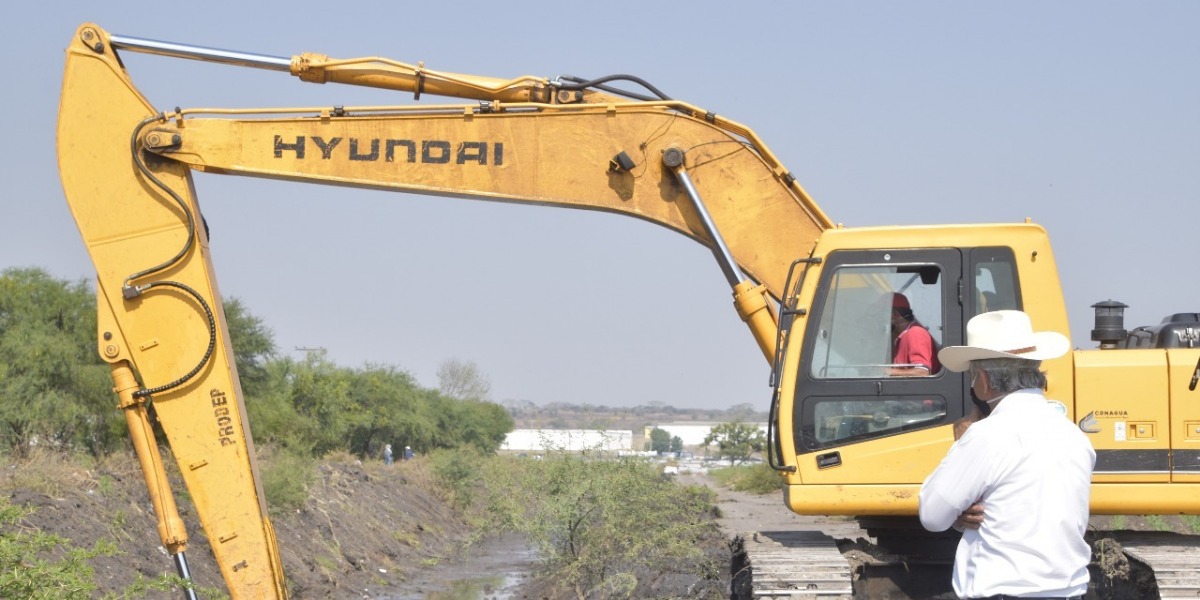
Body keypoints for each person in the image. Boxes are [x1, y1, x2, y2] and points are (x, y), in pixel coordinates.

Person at [919, 310, 1094, 600]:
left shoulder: (986, 434)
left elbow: (932, 515)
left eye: (972, 378)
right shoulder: (1074, 435)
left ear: (985, 380)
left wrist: (957, 511)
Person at [889, 292, 940, 376]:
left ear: (895, 314)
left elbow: (922, 372)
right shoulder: (902, 337)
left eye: (882, 314)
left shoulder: (915, 333)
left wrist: (886, 372)